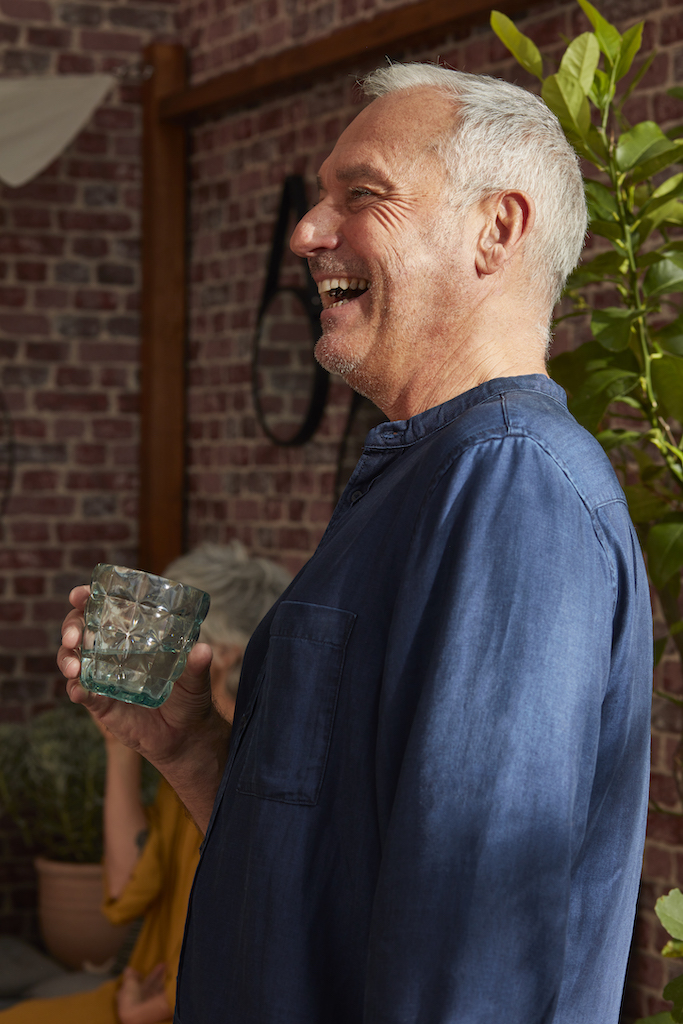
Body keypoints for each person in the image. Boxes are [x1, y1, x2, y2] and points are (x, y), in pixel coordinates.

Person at [58, 63, 653, 1024]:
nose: (305, 230)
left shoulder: (508, 485)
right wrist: (190, 748)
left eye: (361, 194)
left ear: (494, 230)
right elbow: (332, 879)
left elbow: (473, 959)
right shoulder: (434, 475)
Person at [7, 542, 289, 1024]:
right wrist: (121, 746)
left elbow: (257, 929)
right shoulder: (190, 750)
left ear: (221, 652)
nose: (148, 642)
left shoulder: (269, 772)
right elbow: (127, 889)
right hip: (135, 997)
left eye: (167, 633)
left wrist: (154, 1008)